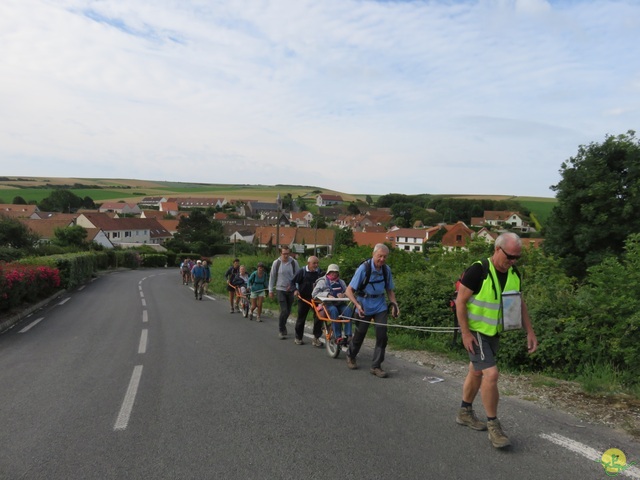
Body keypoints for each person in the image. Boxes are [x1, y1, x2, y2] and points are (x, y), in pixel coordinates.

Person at [455, 232, 538, 449]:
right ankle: (494, 427)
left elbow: (519, 303)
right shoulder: (478, 270)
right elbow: (460, 301)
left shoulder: (514, 274)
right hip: (475, 332)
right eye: (509, 256)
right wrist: (465, 333)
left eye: (516, 258)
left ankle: (464, 412)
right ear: (497, 249)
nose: (512, 261)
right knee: (491, 374)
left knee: (476, 371)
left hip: (494, 332)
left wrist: (530, 331)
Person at [344, 243, 399, 378]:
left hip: (380, 305)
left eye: (384, 257)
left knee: (382, 335)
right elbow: (349, 290)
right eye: (379, 256)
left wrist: (395, 305)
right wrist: (357, 305)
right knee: (360, 334)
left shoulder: (386, 270)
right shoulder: (363, 269)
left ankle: (376, 366)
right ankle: (351, 355)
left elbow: (389, 290)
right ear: (373, 254)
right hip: (364, 304)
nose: (382, 259)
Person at [312, 264, 352, 344]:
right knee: (334, 310)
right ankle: (337, 336)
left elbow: (347, 291)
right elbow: (314, 293)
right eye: (332, 272)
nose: (334, 274)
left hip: (340, 304)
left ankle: (349, 335)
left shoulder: (341, 282)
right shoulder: (322, 281)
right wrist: (327, 295)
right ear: (328, 272)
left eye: (335, 272)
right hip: (327, 304)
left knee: (348, 310)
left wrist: (343, 294)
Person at [268, 246, 300, 339]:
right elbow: (272, 277)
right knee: (284, 310)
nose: (286, 255)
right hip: (280, 289)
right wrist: (270, 290)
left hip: (291, 290)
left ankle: (283, 324)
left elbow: (298, 276)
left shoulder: (294, 263)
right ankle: (281, 330)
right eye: (284, 253)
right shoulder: (276, 263)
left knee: (288, 311)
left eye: (287, 253)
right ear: (281, 253)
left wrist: (296, 288)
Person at [291, 256, 324, 346]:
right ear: (308, 263)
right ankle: (298, 337)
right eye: (314, 263)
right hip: (304, 298)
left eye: (317, 263)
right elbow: (292, 282)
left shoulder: (319, 272)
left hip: (316, 299)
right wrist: (295, 290)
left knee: (319, 317)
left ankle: (316, 338)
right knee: (301, 318)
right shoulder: (302, 272)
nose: (316, 265)